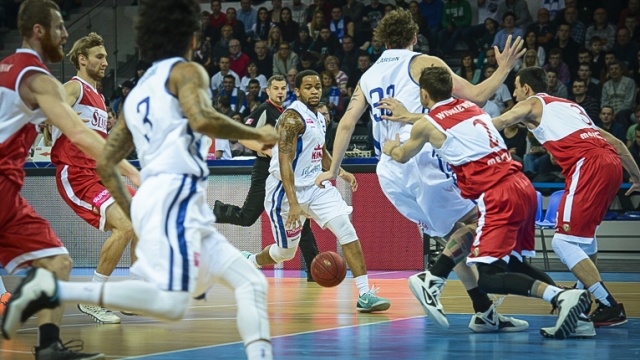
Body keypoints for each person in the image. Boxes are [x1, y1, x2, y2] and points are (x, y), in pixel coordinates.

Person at [2, 1, 278, 359]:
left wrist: (134, 200)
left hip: (152, 193)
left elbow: (108, 158)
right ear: (192, 37)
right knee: (186, 296)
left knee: (228, 287)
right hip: (156, 192)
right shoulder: (183, 72)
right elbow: (202, 117)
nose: (67, 34)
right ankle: (80, 295)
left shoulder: (134, 95)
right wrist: (254, 135)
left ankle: (64, 307)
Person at [316, 8, 538, 332]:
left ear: (382, 40)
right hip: (421, 158)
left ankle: (484, 311)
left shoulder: (368, 75)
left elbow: (347, 123)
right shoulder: (420, 62)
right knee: (482, 218)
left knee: (454, 235)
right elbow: (478, 94)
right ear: (414, 37)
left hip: (388, 172)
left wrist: (333, 170)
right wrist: (504, 68)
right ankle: (432, 279)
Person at [378, 66, 593, 339]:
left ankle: (562, 297)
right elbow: (445, 121)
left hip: (497, 194)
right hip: (523, 187)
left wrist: (389, 148)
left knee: (489, 275)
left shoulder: (427, 124)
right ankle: (579, 317)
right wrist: (411, 116)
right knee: (513, 265)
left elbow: (402, 155)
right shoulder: (471, 108)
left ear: (423, 92)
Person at [0, 1, 141, 358]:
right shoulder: (63, 85)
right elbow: (73, 127)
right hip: (75, 174)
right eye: (60, 27)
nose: (65, 33)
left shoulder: (89, 95)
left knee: (62, 261)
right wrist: (133, 170)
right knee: (123, 227)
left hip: (42, 179)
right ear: (39, 30)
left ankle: (50, 344)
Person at [492, 66, 640, 328]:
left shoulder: (532, 103)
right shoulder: (571, 107)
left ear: (526, 89)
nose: (513, 93)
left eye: (515, 87)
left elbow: (502, 121)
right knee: (585, 239)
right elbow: (616, 142)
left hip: (588, 164)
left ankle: (608, 305)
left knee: (562, 242)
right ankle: (582, 297)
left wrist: (467, 133)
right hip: (611, 164)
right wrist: (637, 176)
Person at [243, 70, 391, 313]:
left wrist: (338, 170)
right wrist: (293, 204)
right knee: (285, 253)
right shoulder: (292, 119)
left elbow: (319, 150)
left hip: (316, 186)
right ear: (298, 91)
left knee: (346, 228)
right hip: (284, 190)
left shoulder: (319, 117)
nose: (314, 91)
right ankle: (252, 261)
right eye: (308, 87)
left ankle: (365, 294)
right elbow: (284, 163)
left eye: (318, 86)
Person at [50, 32, 139, 325]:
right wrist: (55, 119)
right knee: (124, 226)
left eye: (105, 56)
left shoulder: (99, 97)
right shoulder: (74, 87)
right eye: (99, 57)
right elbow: (49, 106)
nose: (105, 61)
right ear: (82, 59)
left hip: (97, 173)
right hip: (75, 174)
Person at [213, 75, 320, 281]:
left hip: (287, 171)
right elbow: (243, 135)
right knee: (247, 217)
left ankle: (313, 270)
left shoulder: (289, 112)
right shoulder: (263, 110)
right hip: (266, 169)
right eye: (276, 88)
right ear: (268, 91)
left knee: (299, 219)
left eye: (283, 88)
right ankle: (216, 211)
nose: (280, 92)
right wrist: (270, 151)